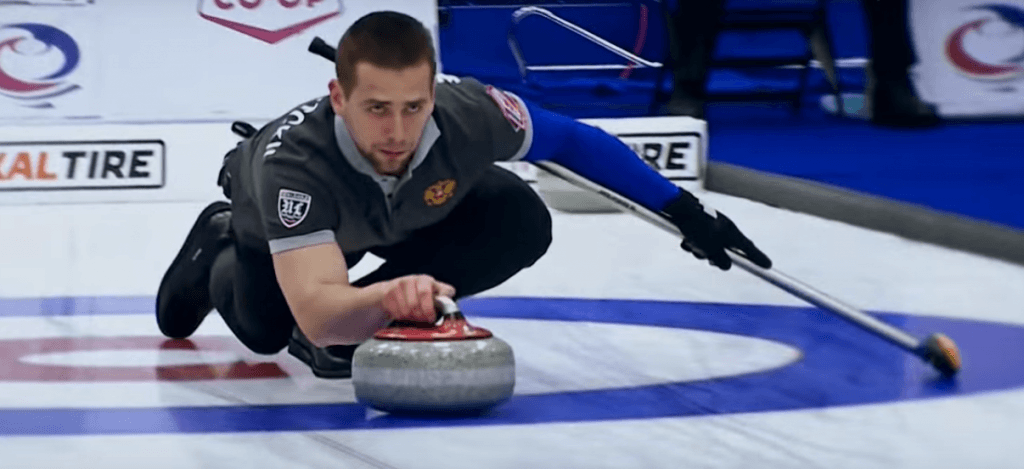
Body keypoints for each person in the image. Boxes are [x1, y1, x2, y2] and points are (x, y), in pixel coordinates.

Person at [155, 10, 773, 379]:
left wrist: (686, 211)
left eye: (413, 108)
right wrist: (384, 297)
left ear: (434, 93)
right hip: (285, 230)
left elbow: (575, 144)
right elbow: (320, 314)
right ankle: (217, 242)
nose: (397, 133)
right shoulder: (296, 167)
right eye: (375, 109)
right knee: (276, 331)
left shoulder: (470, 111)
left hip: (405, 211)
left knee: (517, 217)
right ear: (338, 99)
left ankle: (379, 307)